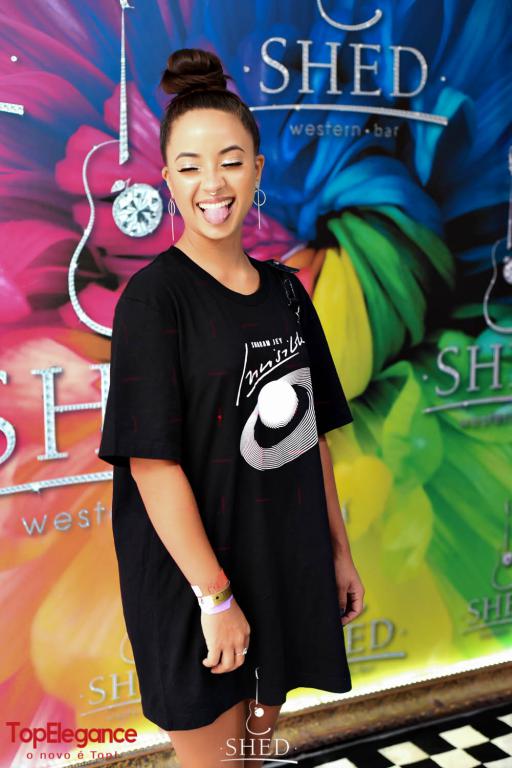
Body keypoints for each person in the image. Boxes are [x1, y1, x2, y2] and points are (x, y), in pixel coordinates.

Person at [98, 46, 365, 768]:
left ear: (257, 169)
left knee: (254, 756)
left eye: (231, 161)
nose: (212, 184)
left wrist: (337, 553)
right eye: (189, 166)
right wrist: (215, 599)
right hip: (195, 584)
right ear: (166, 179)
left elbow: (309, 437)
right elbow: (152, 466)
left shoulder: (287, 292)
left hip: (280, 562)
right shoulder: (155, 300)